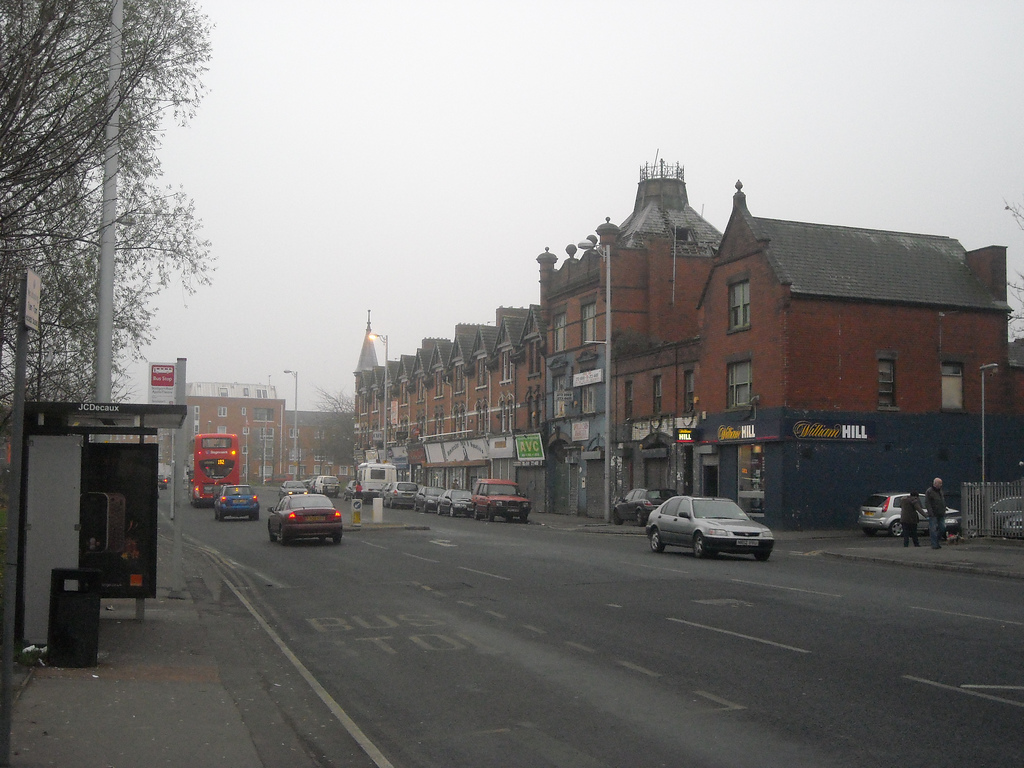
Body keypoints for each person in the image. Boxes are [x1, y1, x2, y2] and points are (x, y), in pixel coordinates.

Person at [924, 477, 947, 549]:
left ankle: (937, 541)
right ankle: (934, 544)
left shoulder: (940, 491)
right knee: (933, 529)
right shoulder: (929, 491)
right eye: (940, 483)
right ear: (935, 483)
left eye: (941, 483)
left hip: (941, 513)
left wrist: (944, 509)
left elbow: (942, 501)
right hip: (933, 514)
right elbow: (927, 503)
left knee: (942, 528)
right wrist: (930, 512)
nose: (941, 485)